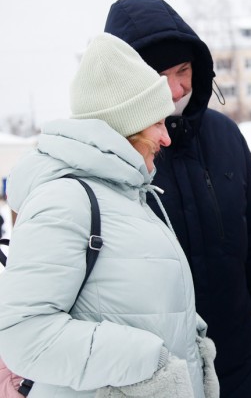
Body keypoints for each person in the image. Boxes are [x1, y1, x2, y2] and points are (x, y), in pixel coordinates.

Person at [0, 33, 218, 397]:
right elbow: (24, 333)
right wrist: (151, 363)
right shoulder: (65, 199)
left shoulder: (127, 195)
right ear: (124, 126)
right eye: (157, 123)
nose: (167, 138)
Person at [104, 0, 251, 398]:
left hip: (239, 366)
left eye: (184, 70)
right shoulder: (110, 153)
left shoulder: (225, 135)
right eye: (158, 75)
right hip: (156, 379)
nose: (175, 88)